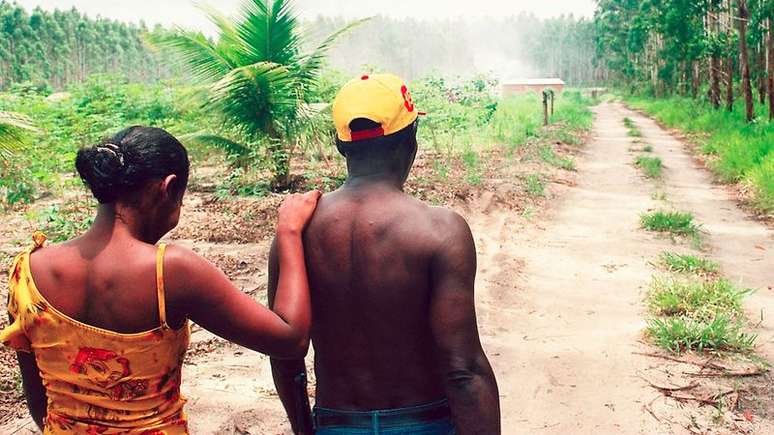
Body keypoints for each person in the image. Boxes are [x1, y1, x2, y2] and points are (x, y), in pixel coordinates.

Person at [0, 126, 320, 434]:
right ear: (168, 188)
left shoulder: (27, 271)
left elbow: (39, 403)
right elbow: (290, 340)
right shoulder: (170, 271)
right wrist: (289, 231)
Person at [269, 74, 500, 434]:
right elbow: (463, 370)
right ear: (411, 140)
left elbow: (285, 358)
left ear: (340, 145)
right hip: (422, 424)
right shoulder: (439, 231)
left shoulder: (296, 232)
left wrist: (305, 430)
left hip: (337, 424)